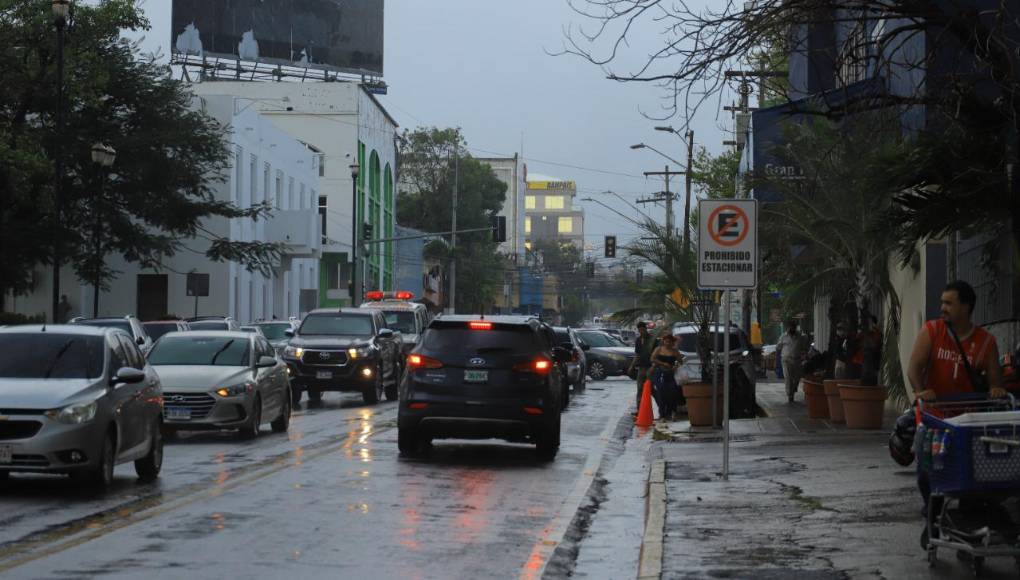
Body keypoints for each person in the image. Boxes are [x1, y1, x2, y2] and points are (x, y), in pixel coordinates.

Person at [906, 280, 1006, 549]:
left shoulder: (985, 342)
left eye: (949, 303)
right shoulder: (932, 331)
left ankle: (966, 523)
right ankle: (932, 515)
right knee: (927, 474)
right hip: (936, 418)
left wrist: (996, 390)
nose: (943, 308)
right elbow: (914, 366)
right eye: (942, 302)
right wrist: (920, 390)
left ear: (966, 307)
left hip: (969, 423)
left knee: (971, 476)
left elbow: (997, 382)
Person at [650, 333, 684, 420]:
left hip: (670, 374)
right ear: (663, 341)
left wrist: (675, 367)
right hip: (659, 373)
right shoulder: (659, 349)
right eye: (666, 342)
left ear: (672, 342)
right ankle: (662, 414)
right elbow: (652, 358)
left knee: (672, 393)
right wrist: (663, 363)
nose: (667, 343)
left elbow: (680, 361)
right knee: (661, 393)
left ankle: (672, 412)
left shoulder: (674, 351)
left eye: (669, 342)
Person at [629, 322, 657, 408]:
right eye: (640, 330)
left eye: (643, 329)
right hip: (641, 367)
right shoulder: (638, 340)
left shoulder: (653, 339)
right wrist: (632, 366)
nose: (641, 331)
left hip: (650, 367)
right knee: (640, 388)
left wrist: (654, 366)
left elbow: (657, 354)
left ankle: (662, 407)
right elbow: (637, 355)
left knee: (651, 389)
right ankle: (639, 409)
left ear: (646, 329)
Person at [777, 320, 805, 403]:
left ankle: (793, 388)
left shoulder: (800, 336)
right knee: (788, 378)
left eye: (793, 327)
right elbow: (778, 347)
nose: (792, 328)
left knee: (796, 378)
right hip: (786, 359)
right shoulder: (783, 336)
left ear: (795, 328)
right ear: (788, 328)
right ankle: (790, 395)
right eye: (790, 327)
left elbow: (803, 347)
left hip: (797, 359)